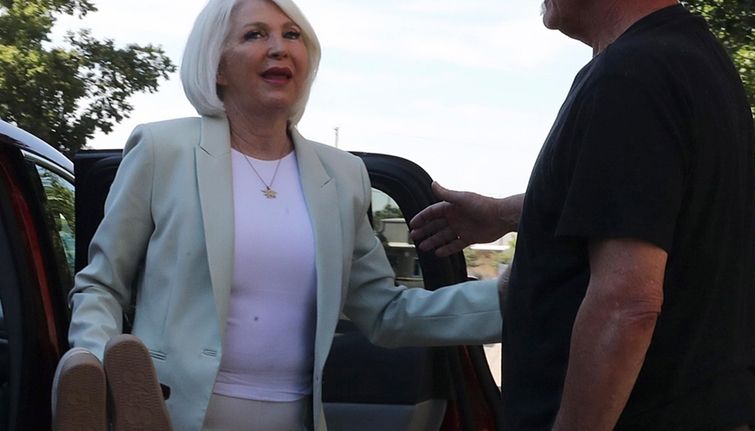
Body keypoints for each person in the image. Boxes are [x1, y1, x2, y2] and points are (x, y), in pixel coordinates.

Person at [52, 0, 502, 430]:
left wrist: (516, 295)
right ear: (218, 65)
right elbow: (102, 284)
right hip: (165, 416)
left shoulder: (343, 175)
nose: (279, 47)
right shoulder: (161, 150)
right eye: (254, 34)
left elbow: (384, 311)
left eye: (292, 35)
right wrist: (94, 368)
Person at [410, 0, 755, 430]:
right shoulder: (685, 58)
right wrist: (504, 214)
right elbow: (640, 202)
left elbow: (628, 304)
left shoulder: (633, 74)